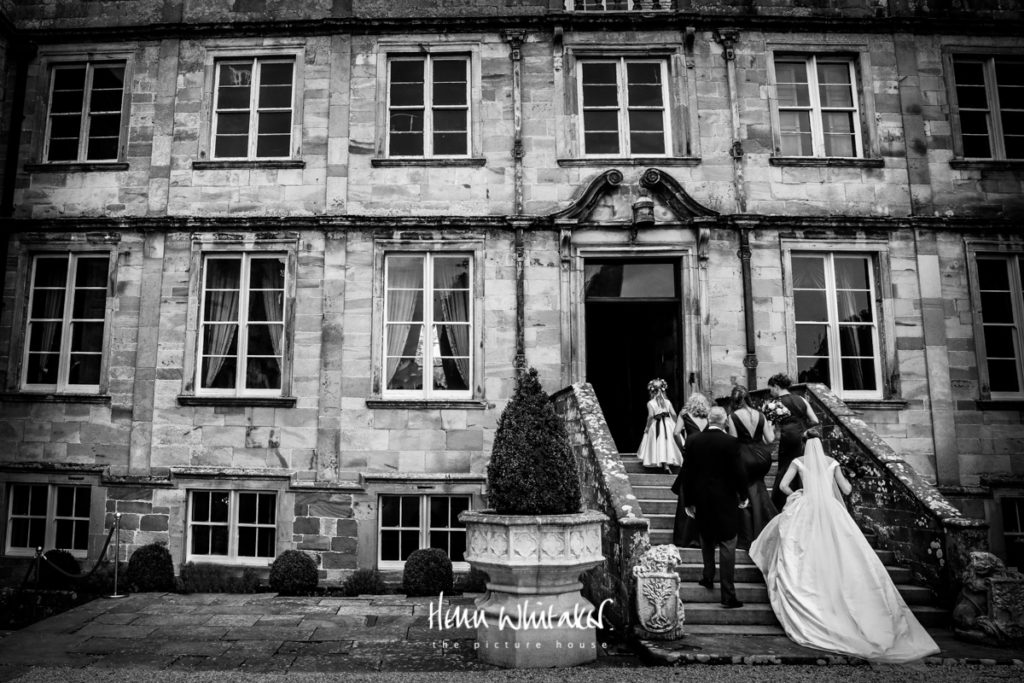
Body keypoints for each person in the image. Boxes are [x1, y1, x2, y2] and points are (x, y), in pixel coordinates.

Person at [750, 432, 940, 663]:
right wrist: (851, 476)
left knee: (801, 549)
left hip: (807, 508)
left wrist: (799, 493)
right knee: (842, 550)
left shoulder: (798, 462)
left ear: (804, 444)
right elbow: (847, 490)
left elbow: (782, 486)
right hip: (832, 509)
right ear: (822, 443)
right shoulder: (832, 463)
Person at [679, 406, 749, 608]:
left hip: (701, 498)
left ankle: (708, 576)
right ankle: (728, 594)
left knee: (706, 537)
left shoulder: (693, 440)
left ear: (709, 419)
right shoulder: (731, 442)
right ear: (725, 421)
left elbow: (688, 473)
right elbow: (739, 472)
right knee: (728, 542)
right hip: (725, 498)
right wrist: (743, 495)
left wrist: (689, 501)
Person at [726, 385, 777, 549]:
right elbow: (770, 439)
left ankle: (748, 534)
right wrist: (772, 424)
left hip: (744, 457)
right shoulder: (760, 414)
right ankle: (767, 526)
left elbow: (733, 440)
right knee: (758, 488)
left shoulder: (733, 416)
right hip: (763, 457)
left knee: (745, 492)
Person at [767, 373, 819, 511]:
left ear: (776, 387)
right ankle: (808, 504)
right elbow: (815, 420)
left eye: (770, 389)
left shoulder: (774, 404)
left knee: (786, 469)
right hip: (803, 436)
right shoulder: (801, 399)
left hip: (788, 438)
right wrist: (801, 426)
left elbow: (769, 428)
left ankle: (782, 505)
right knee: (803, 468)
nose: (770, 392)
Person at [670, 392, 711, 548]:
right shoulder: (708, 416)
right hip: (707, 455)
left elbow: (675, 433)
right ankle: (704, 536)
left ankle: (684, 536)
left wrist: (682, 449)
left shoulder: (685, 414)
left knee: (686, 491)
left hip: (691, 454)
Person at [637, 378, 683, 473]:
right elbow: (674, 414)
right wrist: (676, 423)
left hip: (656, 424)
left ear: (651, 391)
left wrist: (647, 427)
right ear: (663, 390)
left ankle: (662, 462)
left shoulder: (650, 403)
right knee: (669, 441)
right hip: (668, 423)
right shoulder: (667, 402)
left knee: (659, 441)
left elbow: (650, 416)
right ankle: (668, 462)